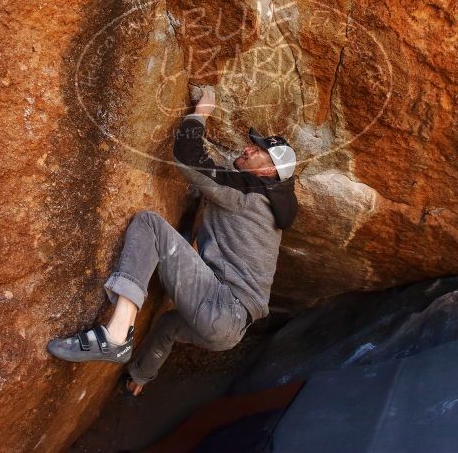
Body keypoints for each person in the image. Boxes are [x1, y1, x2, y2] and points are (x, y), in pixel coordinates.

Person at [46, 85, 298, 396]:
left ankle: (115, 337)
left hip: (223, 307)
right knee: (168, 325)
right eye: (253, 144)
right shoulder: (272, 205)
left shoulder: (249, 191)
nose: (248, 148)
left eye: (257, 150)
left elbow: (188, 156)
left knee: (149, 225)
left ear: (269, 170)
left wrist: (202, 112)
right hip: (231, 331)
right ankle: (139, 377)